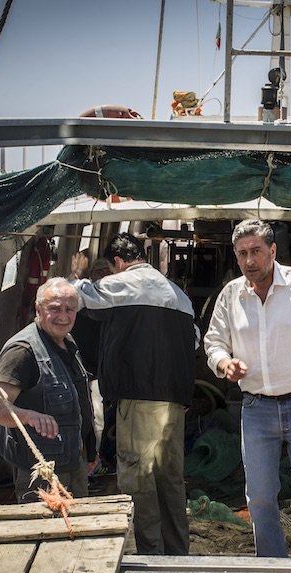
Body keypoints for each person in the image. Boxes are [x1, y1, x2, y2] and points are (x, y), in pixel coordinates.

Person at [204, 219, 291, 557]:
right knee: (259, 495)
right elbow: (213, 341)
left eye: (257, 251)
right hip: (255, 409)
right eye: (242, 253)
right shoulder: (231, 294)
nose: (249, 260)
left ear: (273, 251)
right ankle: (273, 567)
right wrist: (223, 363)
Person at [69, 233, 196, 555]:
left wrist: (77, 272)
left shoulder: (122, 283)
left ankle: (152, 557)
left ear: (119, 263)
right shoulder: (180, 296)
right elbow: (193, 340)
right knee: (170, 480)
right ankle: (177, 554)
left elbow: (76, 296)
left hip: (138, 400)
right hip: (173, 403)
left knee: (139, 480)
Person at [0, 277, 93, 503]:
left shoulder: (67, 341)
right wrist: (28, 416)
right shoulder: (22, 352)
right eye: (54, 309)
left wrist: (90, 451)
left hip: (74, 464)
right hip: (40, 474)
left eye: (69, 309)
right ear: (38, 309)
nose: (63, 316)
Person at [68, 256, 116, 483]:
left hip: (100, 374)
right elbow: (62, 296)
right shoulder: (79, 297)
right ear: (92, 275)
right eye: (99, 272)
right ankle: (79, 463)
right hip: (75, 370)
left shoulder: (116, 300)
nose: (104, 275)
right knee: (74, 419)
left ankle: (93, 462)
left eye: (108, 271)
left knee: (97, 419)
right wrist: (75, 274)